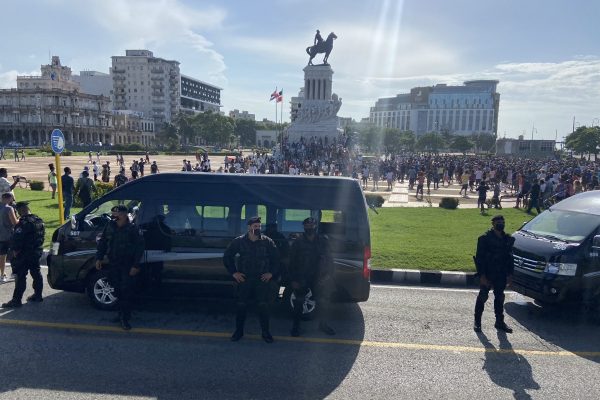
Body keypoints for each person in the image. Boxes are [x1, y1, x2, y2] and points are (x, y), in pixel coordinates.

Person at [223, 216, 280, 343]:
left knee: (263, 306)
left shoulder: (267, 242)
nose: (257, 229)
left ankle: (265, 332)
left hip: (261, 279)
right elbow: (227, 257)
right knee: (241, 306)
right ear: (249, 227)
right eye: (255, 227)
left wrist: (271, 273)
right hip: (244, 279)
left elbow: (276, 260)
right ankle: (238, 332)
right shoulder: (239, 241)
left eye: (259, 227)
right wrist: (234, 273)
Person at [95, 205, 145, 330]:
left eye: (116, 215)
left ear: (124, 215)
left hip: (127, 265)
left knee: (126, 291)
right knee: (116, 289)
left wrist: (136, 265)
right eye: (112, 215)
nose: (113, 217)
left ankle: (125, 318)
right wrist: (99, 258)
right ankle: (121, 313)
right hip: (114, 263)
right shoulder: (110, 226)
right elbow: (103, 242)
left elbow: (140, 248)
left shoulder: (133, 228)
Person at [288, 217, 336, 337]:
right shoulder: (298, 242)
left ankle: (323, 325)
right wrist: (293, 279)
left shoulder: (323, 241)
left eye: (312, 226)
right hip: (302, 277)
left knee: (323, 301)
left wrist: (328, 275)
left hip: (319, 277)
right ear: (304, 227)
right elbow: (292, 262)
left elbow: (330, 260)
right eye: (307, 226)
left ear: (316, 226)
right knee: (299, 302)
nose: (310, 228)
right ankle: (296, 327)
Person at [473, 215, 515, 334]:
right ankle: (477, 321)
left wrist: (510, 275)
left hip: (501, 273)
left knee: (500, 297)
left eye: (503, 222)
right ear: (493, 224)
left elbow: (510, 258)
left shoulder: (507, 239)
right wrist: (482, 276)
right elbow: (479, 259)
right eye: (498, 222)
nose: (501, 224)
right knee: (483, 296)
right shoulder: (484, 239)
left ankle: (499, 322)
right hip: (488, 272)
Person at [1, 202, 45, 308]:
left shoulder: (22, 223)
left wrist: (15, 252)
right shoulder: (38, 220)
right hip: (36, 252)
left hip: (24, 254)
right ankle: (38, 295)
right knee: (36, 273)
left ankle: (16, 300)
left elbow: (17, 241)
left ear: (20, 211)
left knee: (21, 277)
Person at [0, 193, 18, 282]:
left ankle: (2, 274)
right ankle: (15, 273)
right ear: (10, 198)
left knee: (2, 255)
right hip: (8, 235)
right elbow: (14, 222)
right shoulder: (9, 208)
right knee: (13, 254)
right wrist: (20, 219)